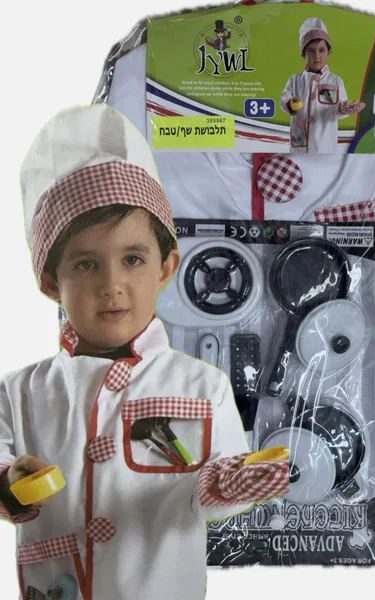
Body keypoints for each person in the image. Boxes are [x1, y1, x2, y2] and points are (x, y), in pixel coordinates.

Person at [0, 104, 289, 600]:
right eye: (86, 264)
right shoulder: (20, 392)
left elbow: (211, 489)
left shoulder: (203, 388)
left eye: (132, 259)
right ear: (51, 282)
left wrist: (237, 483)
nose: (112, 285)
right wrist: (9, 482)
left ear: (166, 268)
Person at [280, 17, 366, 153]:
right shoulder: (295, 80)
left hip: (324, 145)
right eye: (311, 51)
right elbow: (284, 97)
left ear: (329, 52)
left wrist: (343, 109)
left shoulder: (336, 81)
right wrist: (289, 103)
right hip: (300, 144)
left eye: (321, 50)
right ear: (303, 53)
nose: (317, 56)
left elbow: (339, 106)